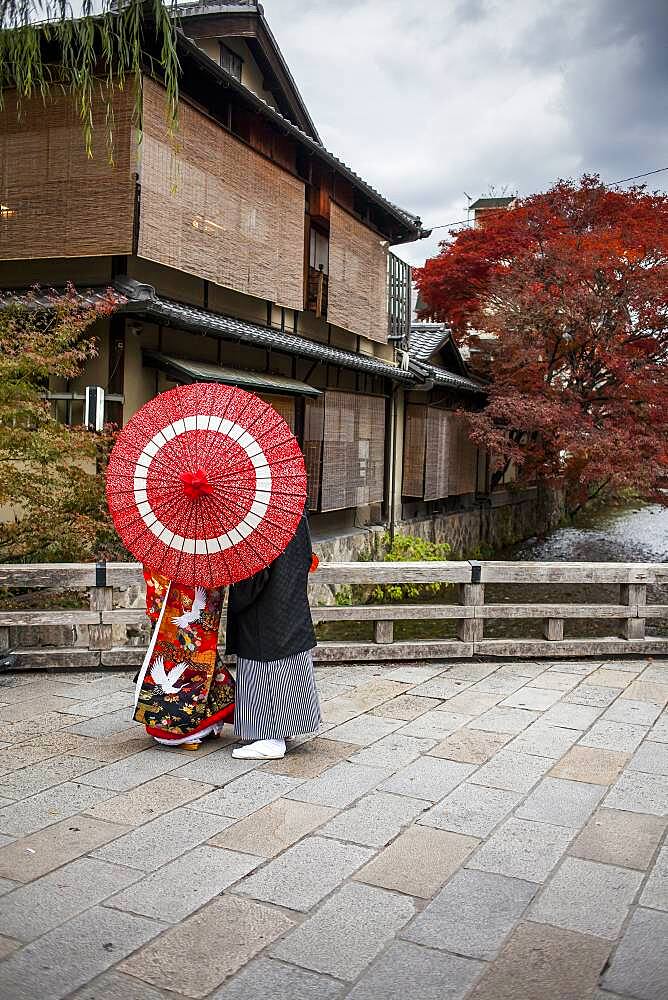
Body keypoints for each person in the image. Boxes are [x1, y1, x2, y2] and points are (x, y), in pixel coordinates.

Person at [225, 512, 321, 759]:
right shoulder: (289, 507)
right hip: (288, 596)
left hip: (266, 605)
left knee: (265, 667)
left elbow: (254, 572)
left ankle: (271, 737)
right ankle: (286, 727)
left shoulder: (261, 514)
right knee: (289, 662)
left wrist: (236, 589)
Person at [133, 568, 235, 749]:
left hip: (194, 576)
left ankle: (186, 725)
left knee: (194, 654)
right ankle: (195, 722)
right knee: (184, 652)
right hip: (190, 575)